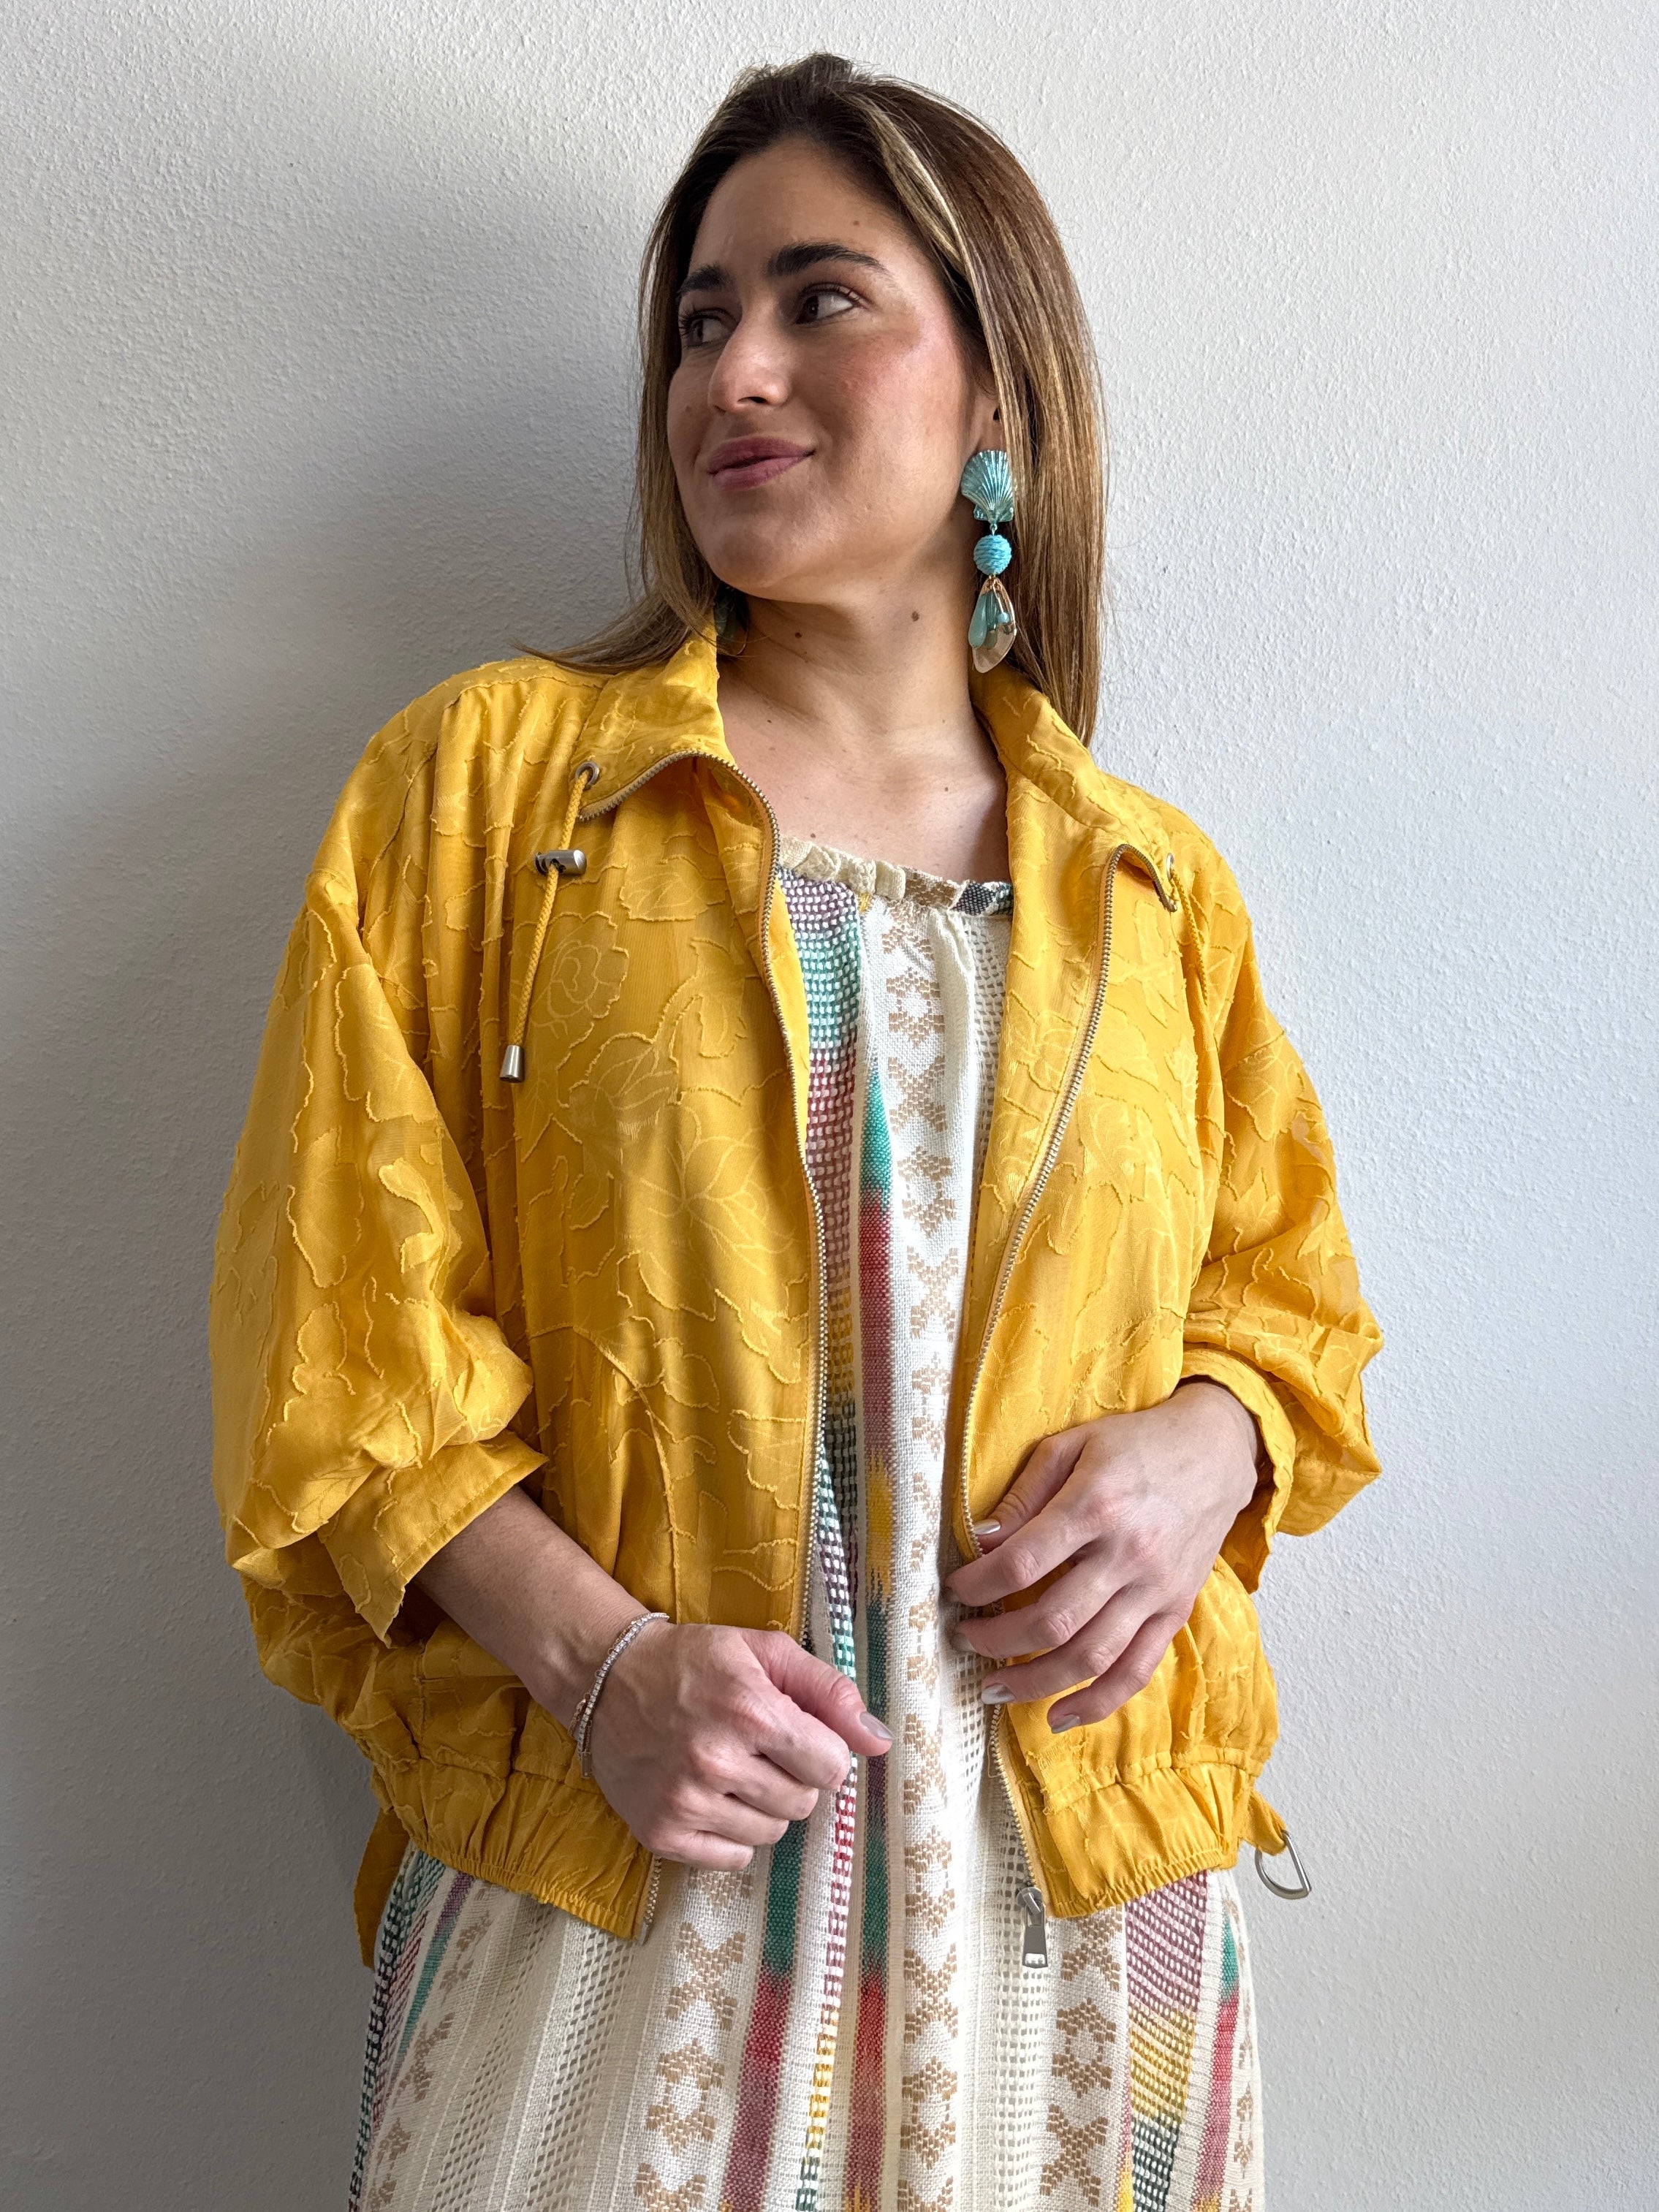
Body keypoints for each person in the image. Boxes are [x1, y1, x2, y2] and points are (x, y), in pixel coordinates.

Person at [210, 52, 1381, 2212]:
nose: (731, 373)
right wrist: (603, 1665)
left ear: (998, 386)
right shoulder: (493, 794)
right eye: (697, 320)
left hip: (1079, 1923)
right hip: (626, 1881)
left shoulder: (1150, 888)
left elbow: (1290, 1310)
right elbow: (340, 1343)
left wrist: (1207, 1444)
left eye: (819, 298)